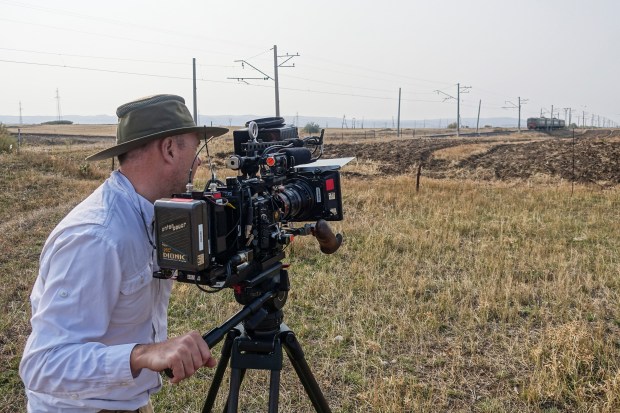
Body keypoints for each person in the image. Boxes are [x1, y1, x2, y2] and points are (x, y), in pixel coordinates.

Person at [19, 94, 229, 412]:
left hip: (128, 400)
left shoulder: (155, 213)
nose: (199, 161)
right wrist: (142, 354)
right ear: (170, 149)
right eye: (194, 148)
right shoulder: (97, 238)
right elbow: (44, 366)